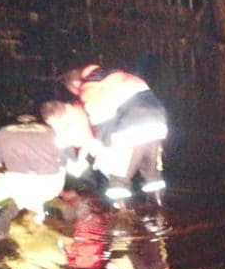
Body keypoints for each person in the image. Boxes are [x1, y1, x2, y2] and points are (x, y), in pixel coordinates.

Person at [0, 101, 81, 247]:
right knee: (55, 195)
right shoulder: (53, 132)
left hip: (15, 186)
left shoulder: (0, 134)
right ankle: (68, 236)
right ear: (36, 117)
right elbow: (71, 163)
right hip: (50, 186)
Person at [62, 64, 168, 209]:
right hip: (158, 124)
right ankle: (160, 211)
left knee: (118, 180)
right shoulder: (120, 76)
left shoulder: (90, 89)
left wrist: (100, 150)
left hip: (130, 127)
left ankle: (122, 220)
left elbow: (100, 124)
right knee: (152, 174)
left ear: (75, 85)